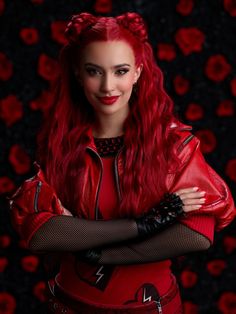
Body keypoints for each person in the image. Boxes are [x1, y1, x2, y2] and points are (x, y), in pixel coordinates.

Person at [9, 12, 235, 314]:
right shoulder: (59, 144)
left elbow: (196, 233)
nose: (107, 86)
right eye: (94, 71)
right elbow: (40, 232)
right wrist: (146, 224)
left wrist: (98, 251)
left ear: (138, 72)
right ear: (77, 73)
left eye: (120, 71)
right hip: (68, 306)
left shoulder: (173, 146)